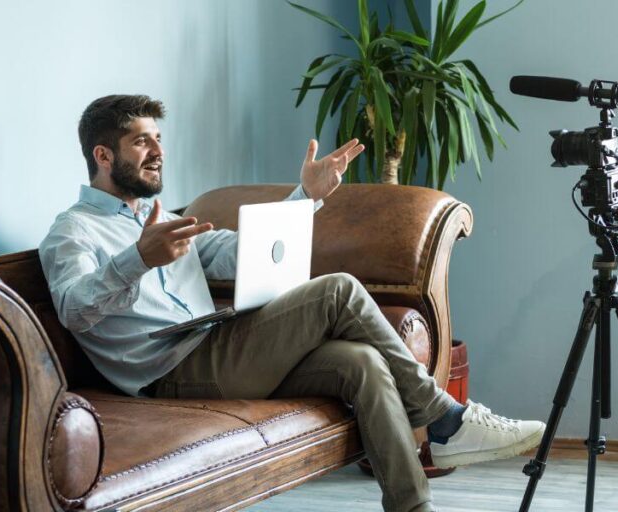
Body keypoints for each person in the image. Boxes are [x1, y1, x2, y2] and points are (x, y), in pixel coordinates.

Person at [40, 94, 545, 512]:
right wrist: (138, 260)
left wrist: (305, 196)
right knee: (338, 289)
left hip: (218, 346)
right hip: (170, 371)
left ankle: (413, 507)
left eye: (158, 139)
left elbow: (240, 252)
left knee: (362, 362)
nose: (156, 150)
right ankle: (446, 419)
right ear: (103, 156)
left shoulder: (162, 217)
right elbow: (73, 308)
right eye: (140, 141)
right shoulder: (72, 232)